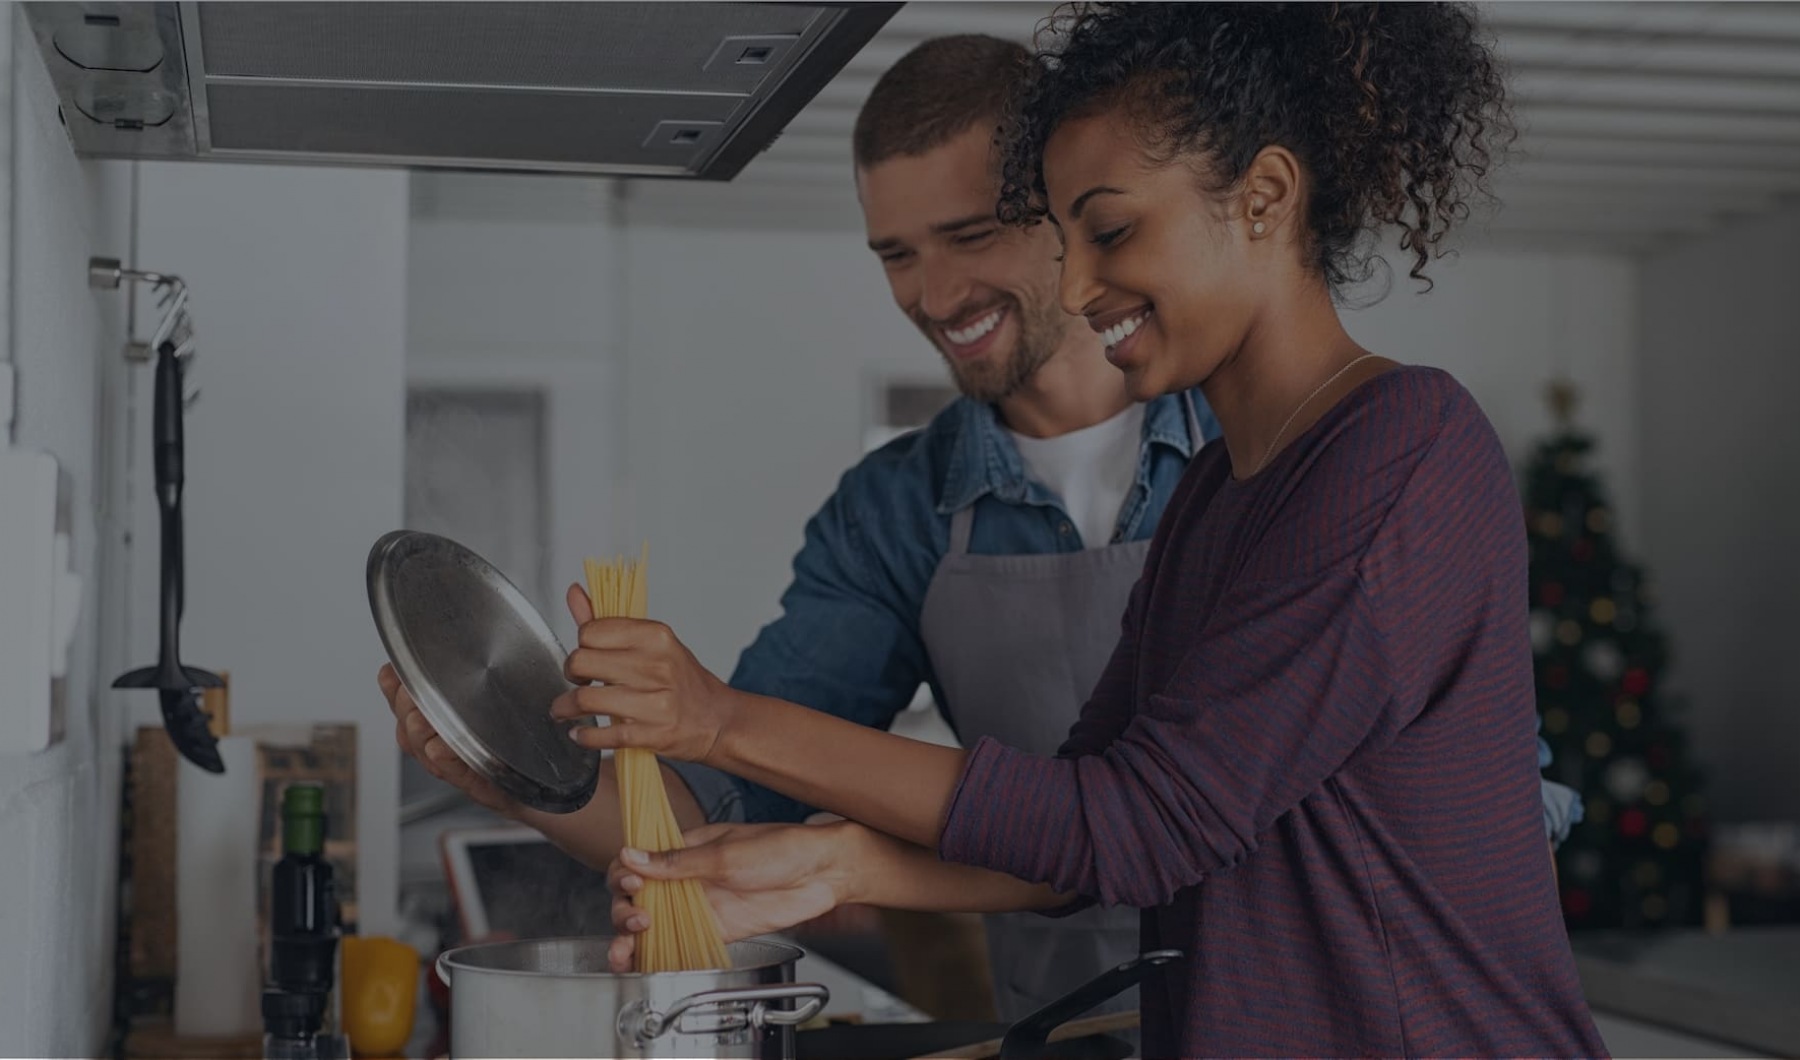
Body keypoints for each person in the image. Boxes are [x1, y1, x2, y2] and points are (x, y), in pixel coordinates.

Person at [567, 5, 1609, 1056]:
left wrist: (719, 716)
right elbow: (1079, 836)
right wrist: (837, 865)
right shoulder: (1214, 498)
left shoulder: (1402, 450)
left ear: (1264, 199)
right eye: (1065, 242)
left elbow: (1143, 826)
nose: (1075, 286)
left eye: (1109, 233)